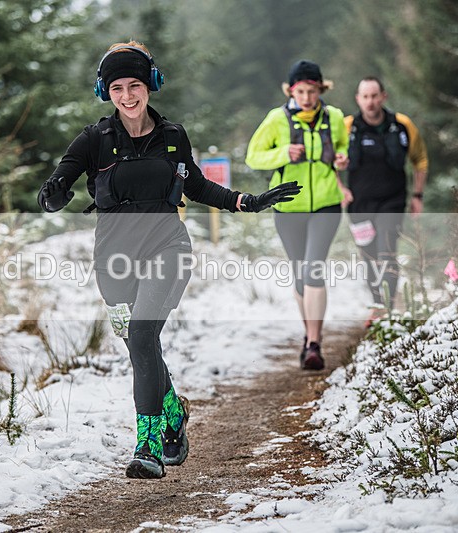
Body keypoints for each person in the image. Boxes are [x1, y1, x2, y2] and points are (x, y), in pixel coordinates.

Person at [37, 41, 302, 480]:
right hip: (114, 261)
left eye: (135, 85)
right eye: (118, 87)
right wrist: (53, 194)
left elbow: (196, 186)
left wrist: (247, 201)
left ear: (151, 85)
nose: (127, 95)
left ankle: (148, 443)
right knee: (141, 348)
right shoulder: (94, 140)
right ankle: (173, 408)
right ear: (106, 91)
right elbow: (58, 180)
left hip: (168, 250)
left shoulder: (174, 136)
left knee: (142, 338)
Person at [245, 60, 350, 371]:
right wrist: (283, 153)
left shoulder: (334, 117)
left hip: (326, 204)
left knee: (314, 267)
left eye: (312, 90)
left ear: (321, 89)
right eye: (301, 91)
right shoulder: (276, 119)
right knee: (300, 274)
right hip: (288, 206)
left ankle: (315, 343)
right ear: (291, 91)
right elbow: (254, 156)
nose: (306, 97)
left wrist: (343, 159)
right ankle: (309, 337)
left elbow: (343, 149)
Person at [344, 77, 428, 323]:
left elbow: (420, 160)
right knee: (368, 255)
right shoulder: (347, 126)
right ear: (358, 99)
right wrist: (339, 188)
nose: (370, 102)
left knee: (386, 252)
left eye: (374, 96)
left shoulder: (402, 125)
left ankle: (385, 308)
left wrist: (417, 195)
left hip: (392, 201)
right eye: (365, 97)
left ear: (383, 96)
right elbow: (329, 159)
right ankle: (377, 303)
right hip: (359, 205)